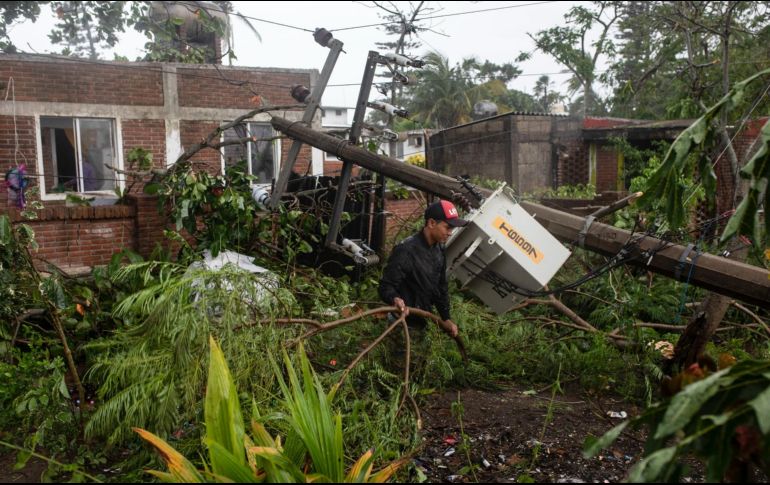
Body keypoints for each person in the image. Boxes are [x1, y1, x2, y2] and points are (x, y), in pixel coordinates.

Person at [379, 199, 468, 342]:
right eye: (448, 227)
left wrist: (446, 317)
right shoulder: (406, 250)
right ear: (432, 223)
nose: (450, 233)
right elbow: (386, 286)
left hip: (424, 322)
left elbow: (441, 287)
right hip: (402, 325)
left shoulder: (439, 249)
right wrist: (394, 299)